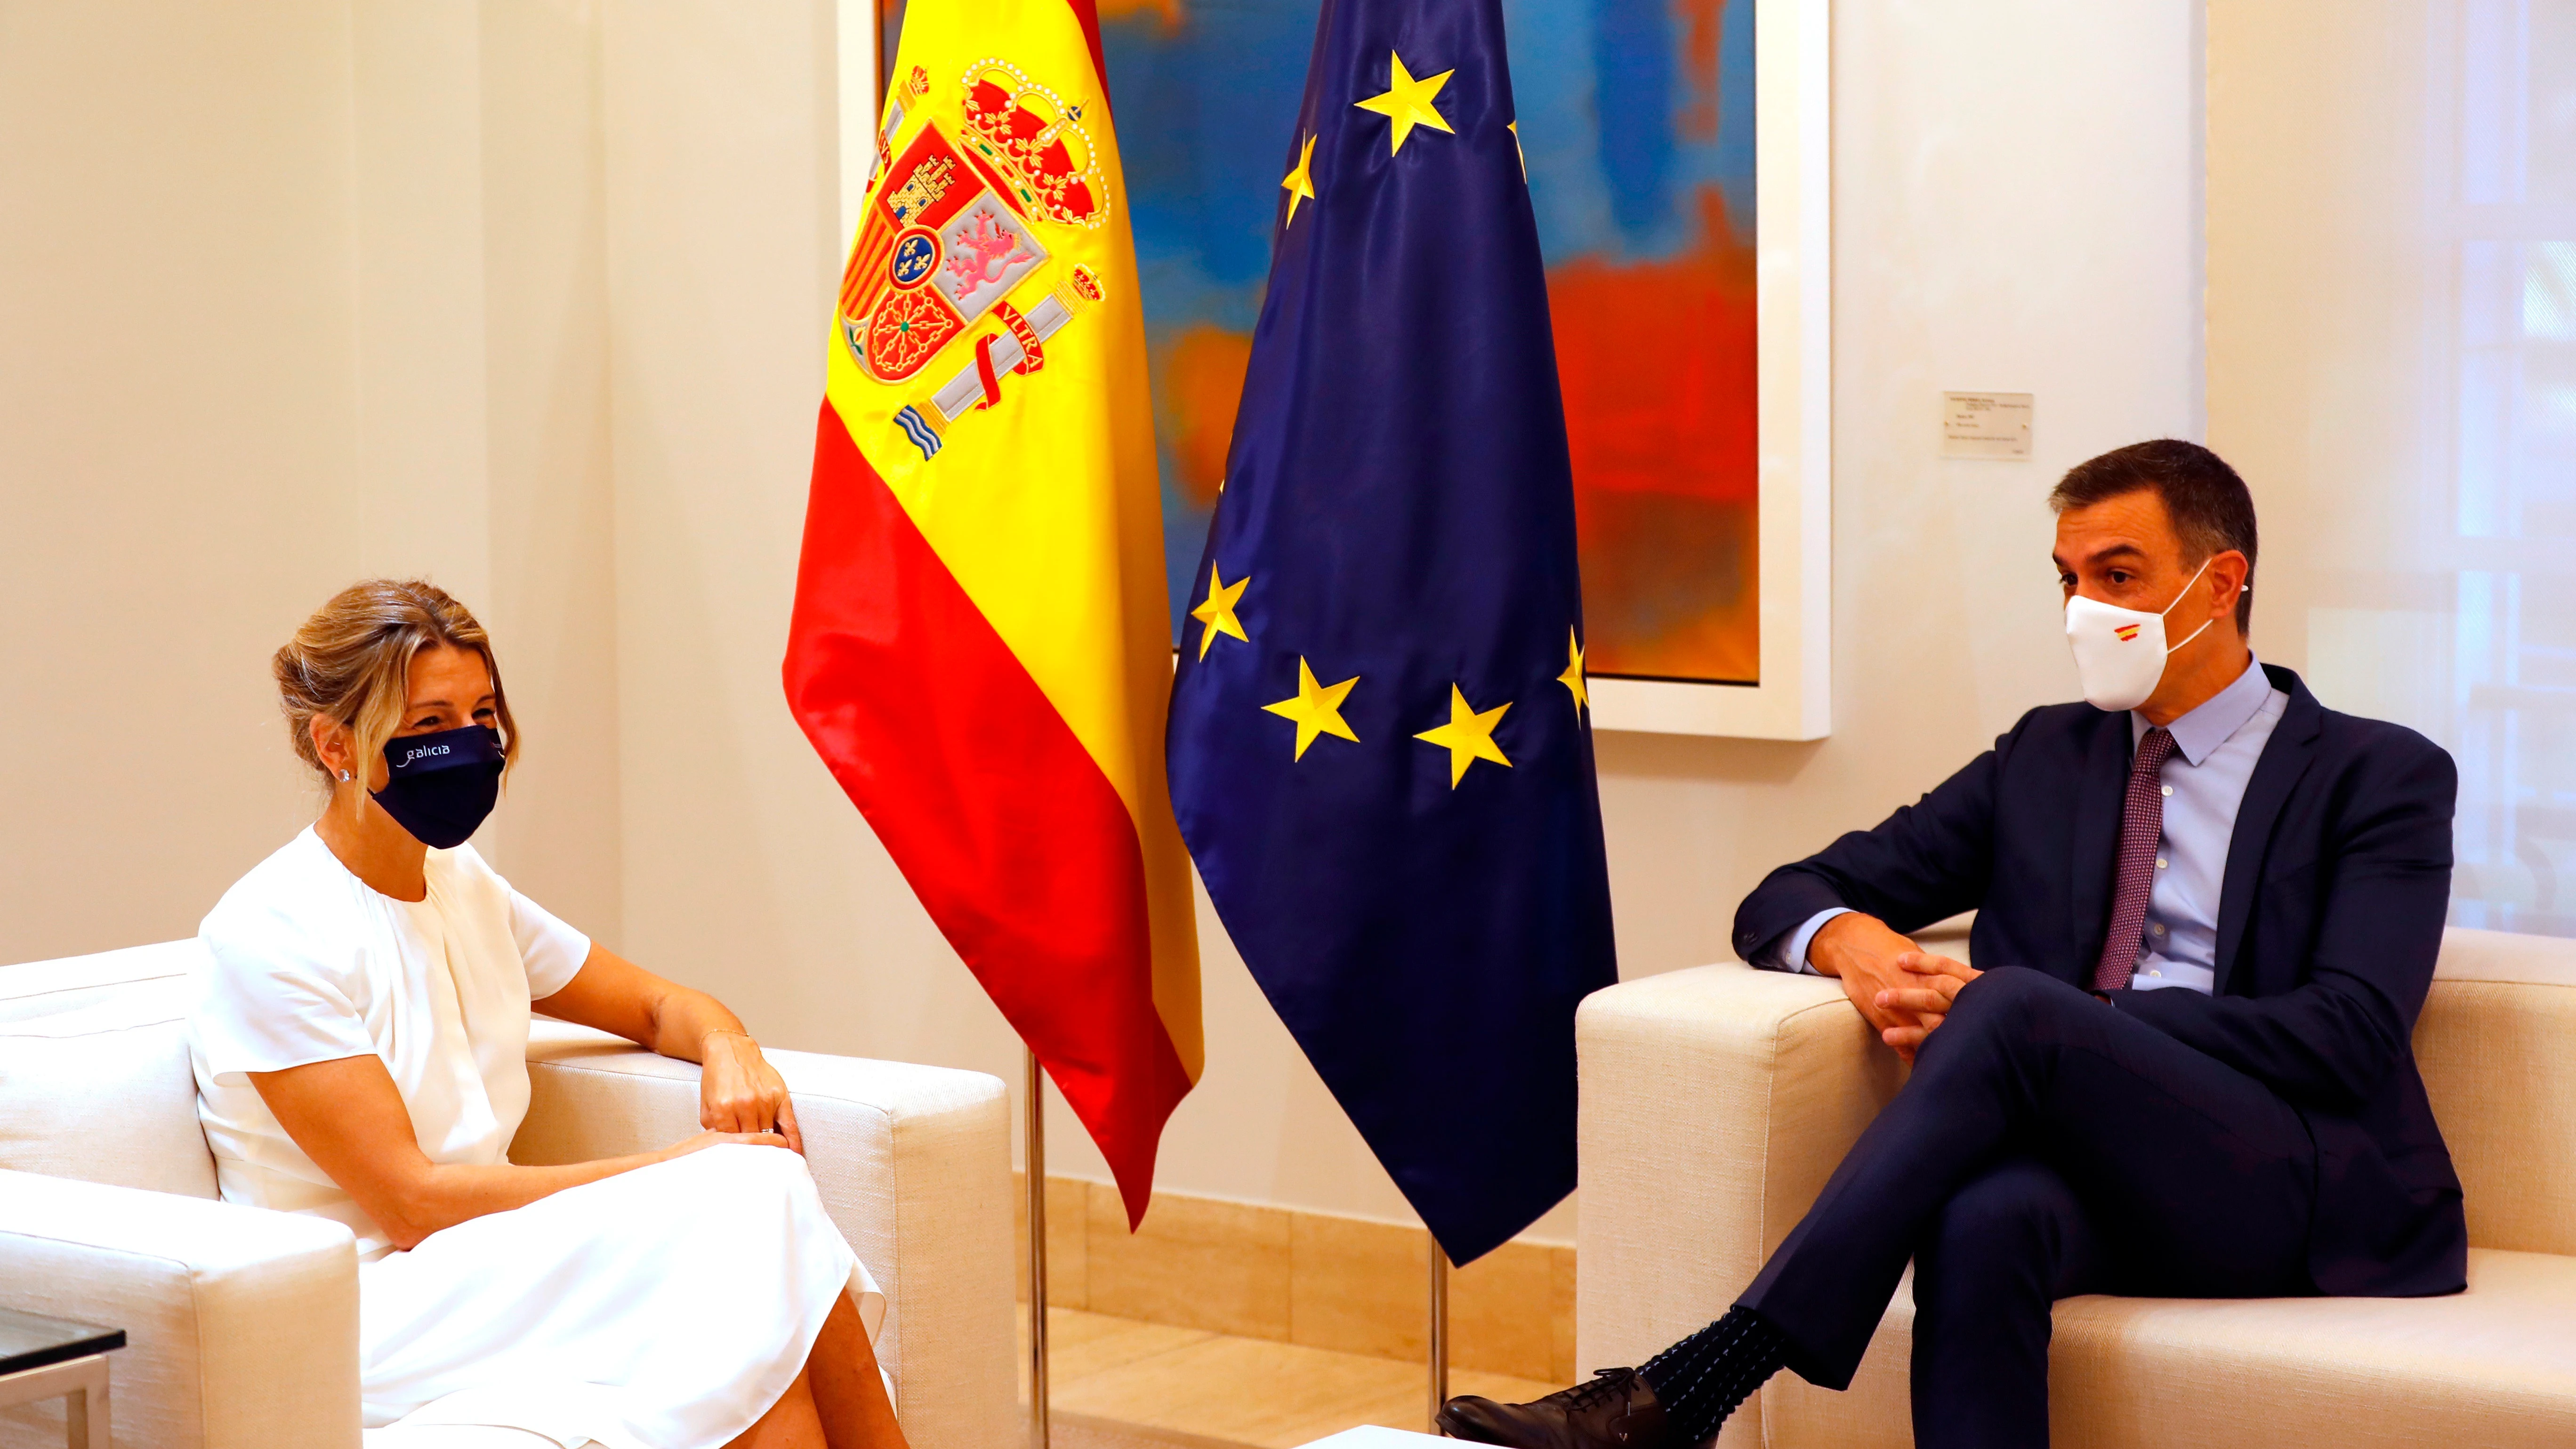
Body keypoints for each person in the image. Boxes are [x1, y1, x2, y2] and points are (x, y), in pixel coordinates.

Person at [1439, 441, 2466, 1449]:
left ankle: (1699, 1381)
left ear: (2220, 584)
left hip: (2289, 1176)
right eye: (2068, 580)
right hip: (2096, 1164)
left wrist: (2082, 1024)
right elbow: (1787, 894)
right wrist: (1853, 945)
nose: (2084, 611)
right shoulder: (2045, 755)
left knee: (2013, 1004)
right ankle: (1695, 1395)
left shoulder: (2380, 776)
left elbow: (2352, 1032)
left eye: (2118, 576)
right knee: (1979, 1220)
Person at [189, 579, 909, 1449]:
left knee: (747, 1331)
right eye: (427, 725)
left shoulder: (463, 887)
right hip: (365, 1308)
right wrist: (680, 1167)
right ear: (335, 744)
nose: (466, 743)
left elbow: (654, 1003)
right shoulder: (270, 934)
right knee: (752, 1196)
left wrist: (729, 1044)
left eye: (481, 713)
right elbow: (412, 1203)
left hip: (486, 1264)